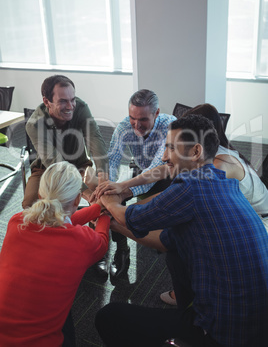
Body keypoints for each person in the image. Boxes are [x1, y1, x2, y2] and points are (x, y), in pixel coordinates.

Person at [95, 115, 268, 347]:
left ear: (195, 152)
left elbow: (131, 216)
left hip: (224, 330)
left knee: (108, 316)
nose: (165, 156)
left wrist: (108, 201)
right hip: (254, 324)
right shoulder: (223, 181)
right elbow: (165, 241)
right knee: (175, 254)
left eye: (170, 148)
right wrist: (114, 224)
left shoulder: (192, 186)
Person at [0, 161, 110, 346]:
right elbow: (102, 240)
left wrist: (97, 208)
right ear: (77, 200)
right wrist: (105, 212)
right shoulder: (83, 242)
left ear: (41, 194)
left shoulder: (16, 221)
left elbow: (59, 220)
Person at [95, 89, 176, 279]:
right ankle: (122, 250)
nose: (137, 125)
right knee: (111, 191)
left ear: (156, 113)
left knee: (118, 193)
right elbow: (112, 160)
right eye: (133, 118)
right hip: (142, 172)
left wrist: (123, 190)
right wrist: (106, 187)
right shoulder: (124, 126)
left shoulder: (170, 126)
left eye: (143, 120)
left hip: (169, 176)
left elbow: (158, 169)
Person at [22, 74, 108, 209]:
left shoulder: (80, 107)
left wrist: (103, 175)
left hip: (80, 165)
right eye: (63, 101)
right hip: (47, 169)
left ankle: (95, 230)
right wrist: (85, 193)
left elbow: (95, 138)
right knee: (30, 205)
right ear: (46, 101)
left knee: (104, 194)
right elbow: (56, 164)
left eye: (72, 99)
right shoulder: (34, 124)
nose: (70, 106)